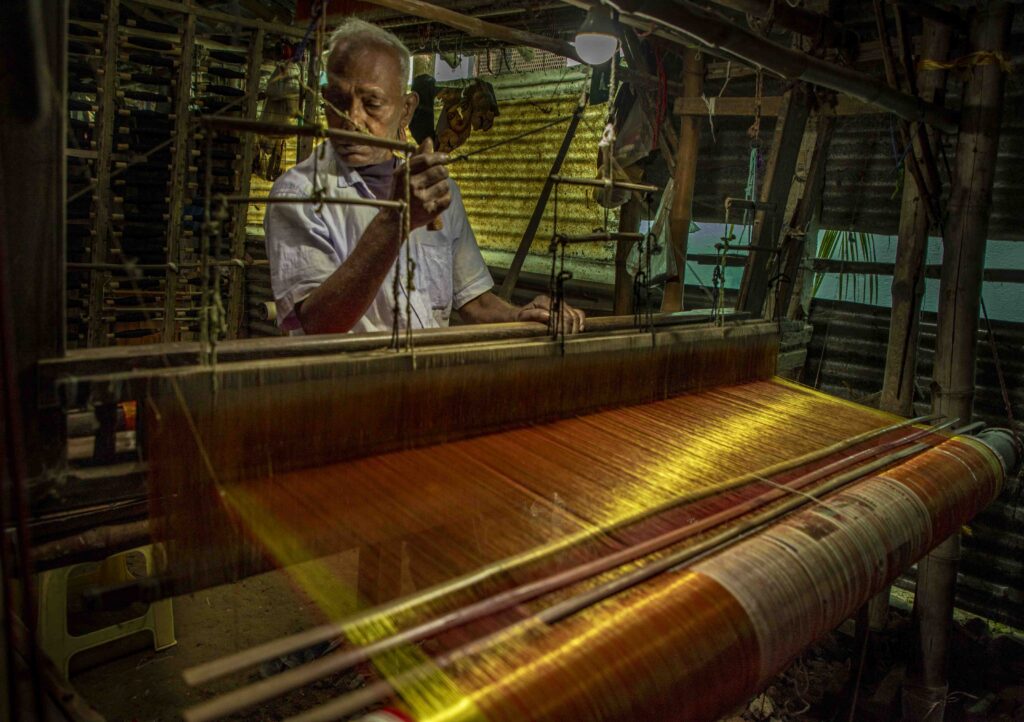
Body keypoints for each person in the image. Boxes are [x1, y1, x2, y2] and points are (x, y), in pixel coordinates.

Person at [264, 18, 585, 336]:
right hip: (346, 385)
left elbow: (474, 301)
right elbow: (320, 323)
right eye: (337, 101)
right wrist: (396, 220)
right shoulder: (299, 192)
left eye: (372, 103)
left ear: (406, 109)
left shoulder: (438, 192)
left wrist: (523, 315)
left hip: (424, 383)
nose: (352, 119)